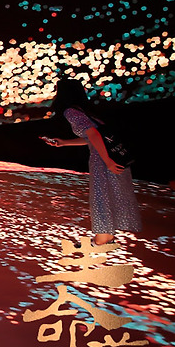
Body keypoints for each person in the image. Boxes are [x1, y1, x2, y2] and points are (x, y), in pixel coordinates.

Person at [43, 79, 142, 245]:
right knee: (109, 195)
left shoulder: (71, 112)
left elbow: (94, 135)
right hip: (109, 157)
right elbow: (92, 136)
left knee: (101, 196)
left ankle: (102, 239)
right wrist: (64, 142)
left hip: (102, 159)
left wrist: (107, 161)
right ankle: (107, 237)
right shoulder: (84, 111)